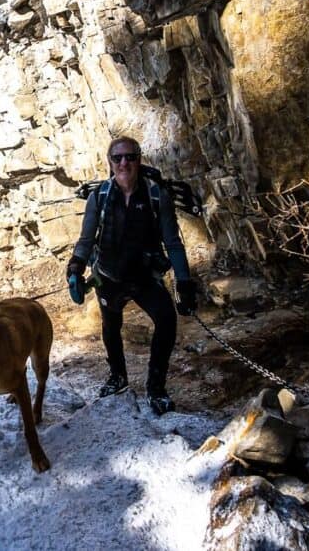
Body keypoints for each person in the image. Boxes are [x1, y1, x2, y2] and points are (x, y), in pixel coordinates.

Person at [67, 136, 197, 415]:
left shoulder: (155, 196)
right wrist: (75, 268)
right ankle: (117, 377)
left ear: (139, 159)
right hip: (108, 277)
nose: (124, 162)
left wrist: (184, 283)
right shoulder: (99, 197)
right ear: (110, 163)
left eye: (130, 156)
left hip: (144, 278)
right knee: (110, 327)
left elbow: (173, 242)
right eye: (118, 158)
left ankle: (156, 387)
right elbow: (86, 240)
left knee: (166, 320)